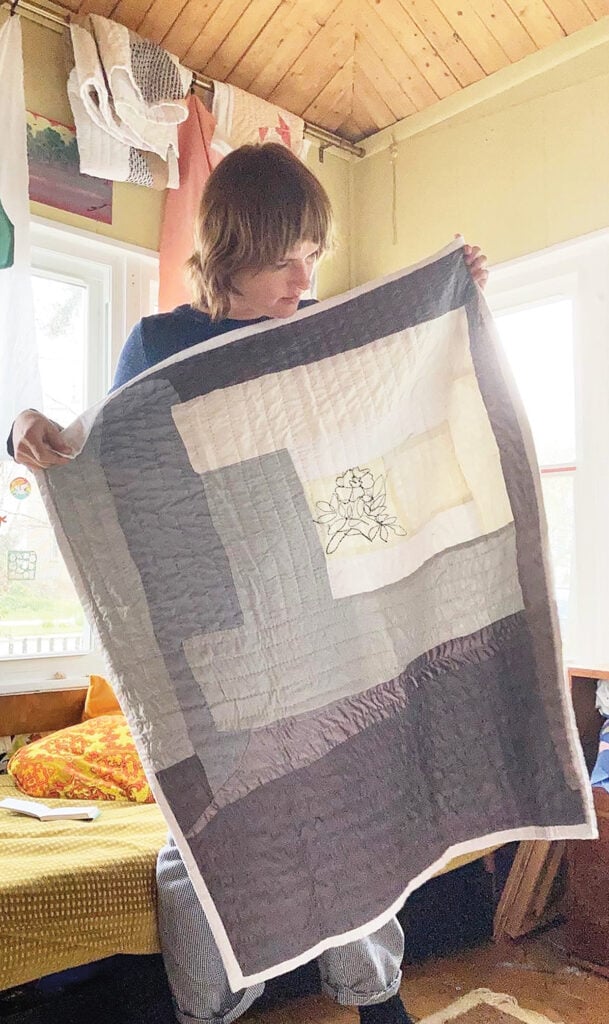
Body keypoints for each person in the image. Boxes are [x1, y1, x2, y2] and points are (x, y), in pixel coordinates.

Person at [10, 143, 488, 1024]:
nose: (303, 276)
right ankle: (209, 1013)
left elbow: (394, 405)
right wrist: (27, 430)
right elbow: (107, 464)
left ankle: (375, 1001)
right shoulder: (160, 344)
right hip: (209, 635)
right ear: (230, 249)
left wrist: (449, 298)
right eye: (284, 257)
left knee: (351, 815)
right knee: (204, 840)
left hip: (317, 617)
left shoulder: (311, 337)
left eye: (313, 252)